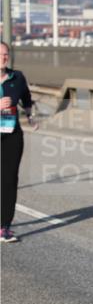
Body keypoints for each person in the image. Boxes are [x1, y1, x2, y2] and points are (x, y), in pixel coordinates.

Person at [1, 41, 37, 243]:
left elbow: (26, 98)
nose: (4, 57)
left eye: (6, 54)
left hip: (11, 134)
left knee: (9, 180)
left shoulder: (17, 77)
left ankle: (4, 226)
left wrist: (31, 116)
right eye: (0, 54)